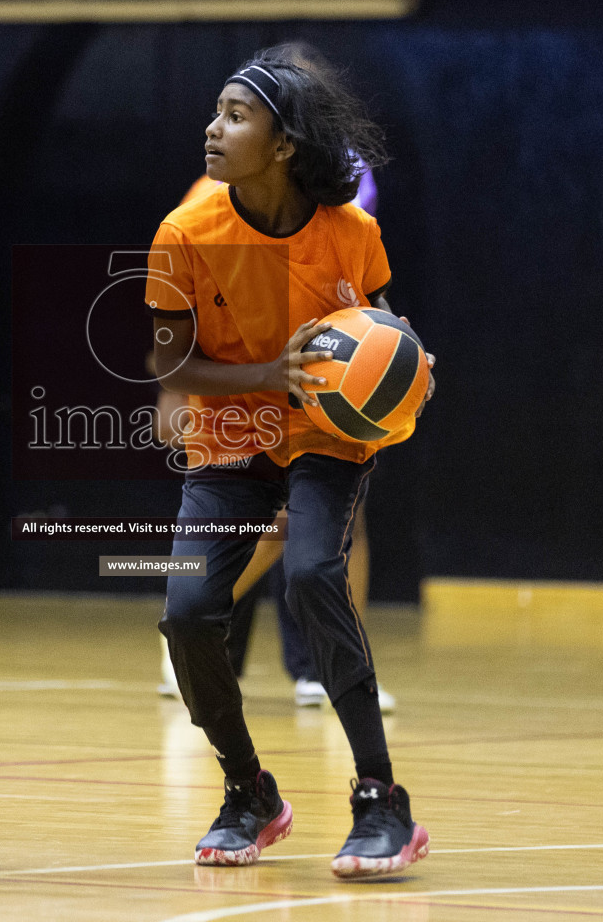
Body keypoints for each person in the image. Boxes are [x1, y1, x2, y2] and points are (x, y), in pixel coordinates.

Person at [147, 49, 433, 879]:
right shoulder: (185, 233)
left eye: (235, 116)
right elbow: (171, 364)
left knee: (312, 573)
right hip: (231, 437)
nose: (212, 127)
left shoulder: (352, 232)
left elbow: (382, 331)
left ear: (283, 145)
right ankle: (250, 794)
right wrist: (266, 376)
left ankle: (381, 799)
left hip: (322, 438)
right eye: (215, 110)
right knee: (189, 612)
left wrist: (409, 363)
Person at [159, 152, 395, 715]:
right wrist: (172, 392)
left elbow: (362, 297)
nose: (220, 127)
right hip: (243, 390)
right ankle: (187, 633)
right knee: (257, 526)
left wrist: (392, 352)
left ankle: (328, 664)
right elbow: (180, 312)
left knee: (341, 517)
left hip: (320, 379)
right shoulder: (204, 201)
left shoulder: (345, 190)